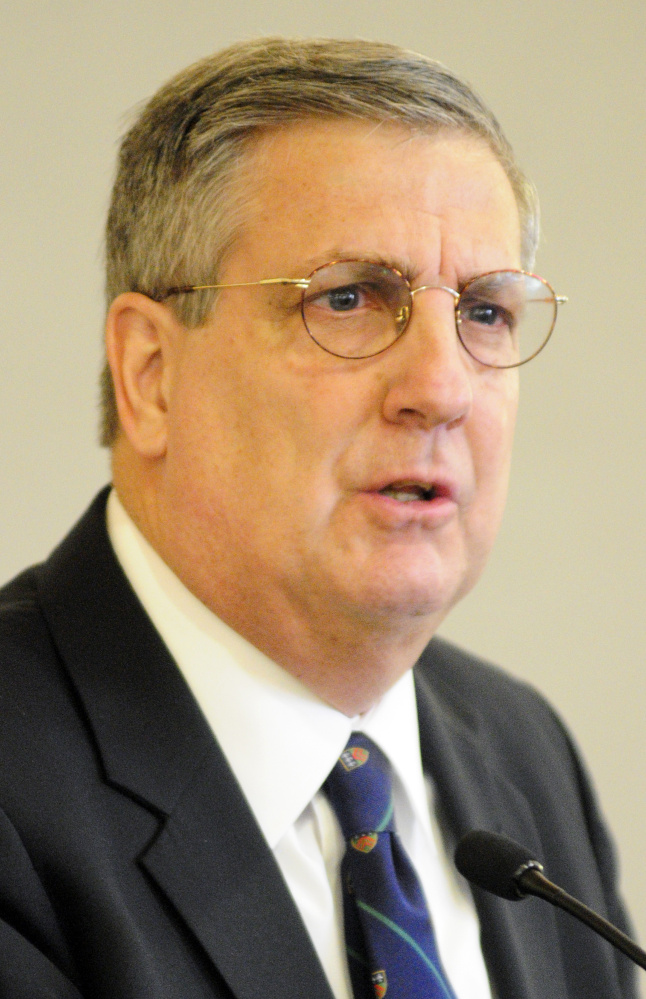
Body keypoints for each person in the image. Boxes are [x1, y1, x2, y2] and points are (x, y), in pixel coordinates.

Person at [0, 36, 636, 999]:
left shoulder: (520, 751)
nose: (441, 387)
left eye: (486, 313)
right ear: (151, 373)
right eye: (348, 300)